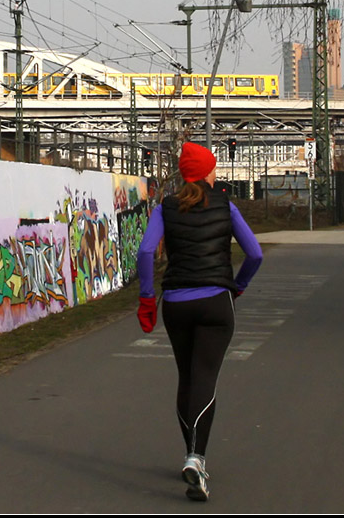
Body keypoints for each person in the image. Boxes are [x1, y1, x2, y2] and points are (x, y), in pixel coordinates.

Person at [136, 142, 263, 502]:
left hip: (176, 301)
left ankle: (191, 453)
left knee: (187, 377)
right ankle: (196, 457)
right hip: (215, 303)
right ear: (209, 172)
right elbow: (254, 253)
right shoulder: (226, 205)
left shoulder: (166, 207)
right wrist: (238, 285)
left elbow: (146, 251)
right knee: (205, 376)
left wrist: (147, 297)